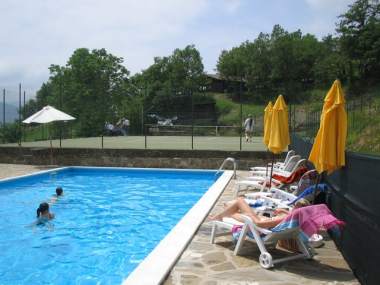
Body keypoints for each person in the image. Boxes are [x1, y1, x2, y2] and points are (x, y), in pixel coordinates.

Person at [210, 197, 309, 229]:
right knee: (234, 208)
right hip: (260, 219)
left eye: (295, 207)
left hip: (257, 223)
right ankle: (225, 213)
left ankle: (219, 216)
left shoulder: (286, 218)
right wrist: (283, 211)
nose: (293, 208)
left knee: (240, 200)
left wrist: (252, 218)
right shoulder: (295, 218)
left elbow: (259, 224)